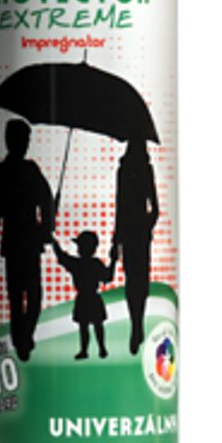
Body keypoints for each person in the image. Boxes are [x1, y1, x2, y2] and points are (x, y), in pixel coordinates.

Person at [0, 119, 54, 360]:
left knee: (27, 297)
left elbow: (45, 201)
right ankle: (22, 339)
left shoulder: (19, 170)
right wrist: (46, 229)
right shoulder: (13, 171)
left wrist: (46, 227)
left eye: (27, 140)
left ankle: (23, 337)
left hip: (19, 244)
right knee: (25, 296)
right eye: (23, 139)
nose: (26, 144)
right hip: (22, 244)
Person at [113, 139, 159, 354]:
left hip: (131, 232)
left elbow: (120, 207)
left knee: (133, 279)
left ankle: (136, 324)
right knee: (138, 279)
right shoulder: (142, 170)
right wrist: (147, 223)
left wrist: (117, 239)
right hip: (137, 232)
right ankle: (137, 324)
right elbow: (154, 207)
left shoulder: (125, 171)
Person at [50, 232, 116, 359]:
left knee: (86, 326)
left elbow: (62, 257)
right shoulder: (94, 263)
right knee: (94, 326)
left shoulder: (77, 264)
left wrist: (54, 243)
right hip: (92, 298)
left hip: (85, 298)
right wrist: (113, 261)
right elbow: (108, 276)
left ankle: (92, 349)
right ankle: (98, 349)